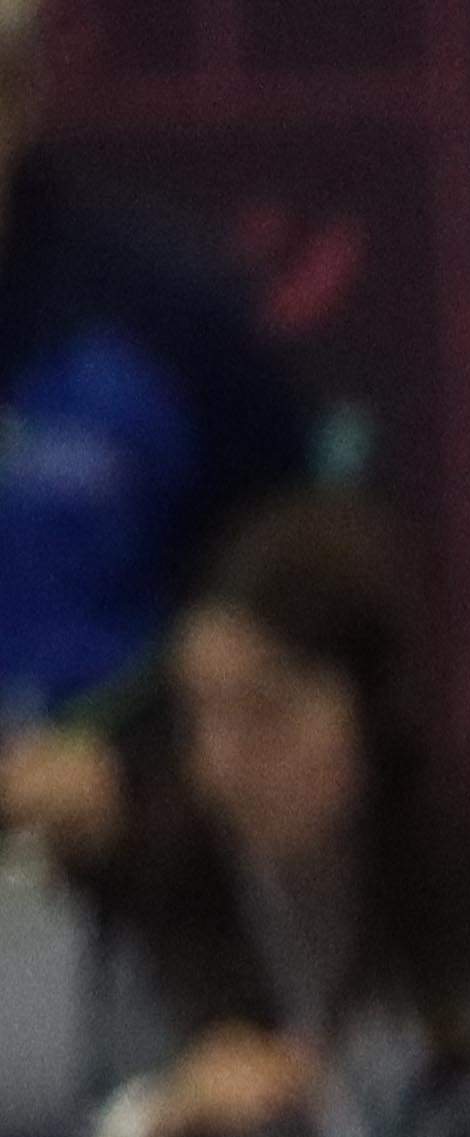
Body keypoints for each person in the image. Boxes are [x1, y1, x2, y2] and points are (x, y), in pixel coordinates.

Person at [58, 488, 470, 1137]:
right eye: (200, 715)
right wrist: (159, 1115)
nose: (218, 766)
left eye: (265, 713)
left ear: (373, 712)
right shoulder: (152, 881)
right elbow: (68, 1129)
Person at [0, 0, 323, 861]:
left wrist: (142, 768)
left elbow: (282, 592)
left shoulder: (169, 310)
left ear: (20, 93)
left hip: (143, 847)